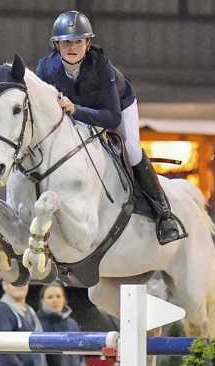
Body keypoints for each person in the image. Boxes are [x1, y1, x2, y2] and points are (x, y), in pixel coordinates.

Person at [35, 11, 186, 245]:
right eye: (66, 42)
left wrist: (76, 110)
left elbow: (113, 118)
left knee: (133, 149)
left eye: (78, 41)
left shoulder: (101, 67)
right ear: (56, 45)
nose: (72, 47)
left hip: (116, 107)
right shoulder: (45, 69)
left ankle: (163, 213)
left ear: (88, 43)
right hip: (74, 111)